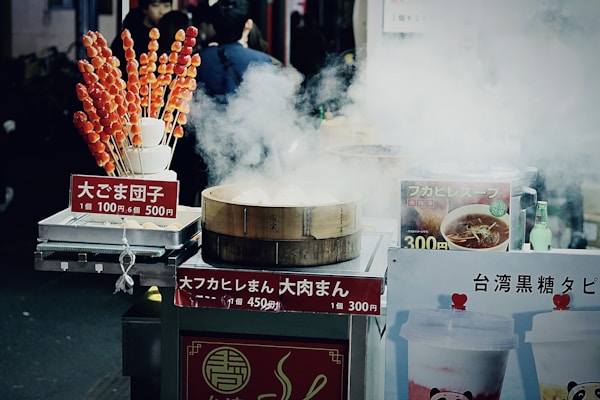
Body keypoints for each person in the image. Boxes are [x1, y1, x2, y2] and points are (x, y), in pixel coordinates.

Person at [194, 0, 273, 103]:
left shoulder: (199, 59)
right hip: (246, 118)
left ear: (214, 25)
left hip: (205, 117)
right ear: (246, 24)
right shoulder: (261, 60)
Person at [110, 0, 173, 76]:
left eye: (166, 6)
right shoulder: (129, 34)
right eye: (156, 5)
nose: (162, 11)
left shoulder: (170, 34)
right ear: (145, 8)